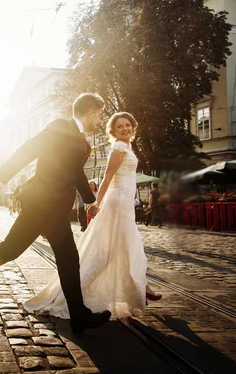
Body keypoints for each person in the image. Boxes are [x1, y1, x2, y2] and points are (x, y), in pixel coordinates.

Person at [0, 93, 111, 334]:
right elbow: (29, 148)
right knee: (14, 250)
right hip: (43, 203)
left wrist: (90, 201)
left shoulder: (77, 137)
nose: (99, 119)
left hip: (51, 206)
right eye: (99, 114)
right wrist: (0, 178)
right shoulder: (60, 127)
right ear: (91, 111)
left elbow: (75, 172)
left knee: (61, 258)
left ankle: (78, 315)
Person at [23, 112, 162, 321]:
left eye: (127, 125)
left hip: (125, 203)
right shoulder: (118, 148)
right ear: (113, 132)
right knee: (112, 249)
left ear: (133, 126)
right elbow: (107, 177)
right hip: (117, 202)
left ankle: (142, 285)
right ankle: (137, 287)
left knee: (125, 246)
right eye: (119, 127)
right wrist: (96, 202)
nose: (125, 129)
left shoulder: (127, 147)